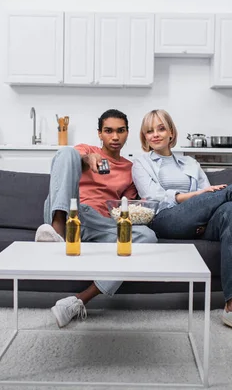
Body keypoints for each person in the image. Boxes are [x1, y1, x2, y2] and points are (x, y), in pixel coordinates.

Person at [131, 109, 232, 339]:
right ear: (144, 137)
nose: (155, 134)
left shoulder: (189, 162)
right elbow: (153, 198)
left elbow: (212, 198)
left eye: (161, 128)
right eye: (149, 131)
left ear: (171, 132)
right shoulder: (141, 164)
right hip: (167, 219)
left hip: (200, 220)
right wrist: (196, 197)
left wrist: (202, 206)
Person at [35, 109, 157, 328]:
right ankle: (57, 231)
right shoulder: (86, 150)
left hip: (100, 225)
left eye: (120, 131)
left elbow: (124, 210)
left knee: (148, 237)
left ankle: (78, 300)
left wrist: (145, 204)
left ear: (128, 133)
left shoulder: (131, 169)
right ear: (100, 134)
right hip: (71, 211)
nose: (115, 137)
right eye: (108, 131)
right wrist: (88, 159)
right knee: (66, 153)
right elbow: (71, 161)